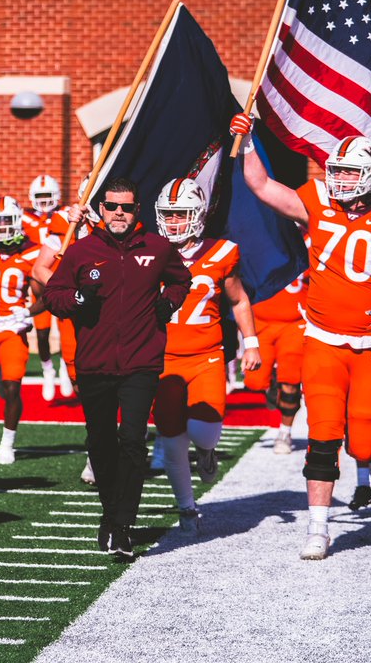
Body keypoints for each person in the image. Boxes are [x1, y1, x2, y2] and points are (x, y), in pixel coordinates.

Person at [232, 115, 371, 560]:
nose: (339, 179)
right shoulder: (318, 203)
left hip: (370, 347)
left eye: (348, 172)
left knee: (362, 439)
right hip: (323, 340)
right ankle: (318, 529)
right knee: (323, 433)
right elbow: (263, 186)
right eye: (336, 170)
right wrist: (246, 141)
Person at [44, 177, 190, 559]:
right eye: (112, 206)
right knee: (101, 444)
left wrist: (168, 303)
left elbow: (181, 279)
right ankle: (110, 516)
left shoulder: (158, 248)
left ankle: (123, 525)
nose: (119, 213)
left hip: (142, 362)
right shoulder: (80, 250)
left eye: (126, 206)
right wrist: (78, 297)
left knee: (132, 442)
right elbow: (53, 296)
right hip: (94, 362)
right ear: (102, 209)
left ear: (137, 209)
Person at [151, 178, 261, 532]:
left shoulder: (221, 252)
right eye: (168, 214)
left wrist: (252, 341)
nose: (173, 222)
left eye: (181, 214)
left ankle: (208, 451)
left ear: (197, 214)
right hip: (162, 359)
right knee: (171, 440)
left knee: (204, 434)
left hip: (206, 355)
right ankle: (187, 508)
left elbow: (238, 299)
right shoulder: (147, 251)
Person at [0, 196, 42, 463]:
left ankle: (8, 442)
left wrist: (28, 310)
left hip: (14, 328)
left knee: (13, 388)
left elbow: (46, 294)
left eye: (7, 220)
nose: (3, 226)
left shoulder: (33, 251)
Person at [243, 272, 308, 455]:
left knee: (291, 382)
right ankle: (271, 382)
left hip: (296, 322)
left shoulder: (310, 245)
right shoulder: (262, 246)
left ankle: (284, 433)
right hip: (260, 320)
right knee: (255, 382)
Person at [23, 176, 69, 400]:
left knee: (64, 331)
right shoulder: (24, 218)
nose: (44, 201)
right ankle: (47, 369)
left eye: (47, 196)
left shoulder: (65, 215)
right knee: (42, 334)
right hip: (37, 283)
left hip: (62, 279)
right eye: (40, 197)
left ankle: (65, 368)